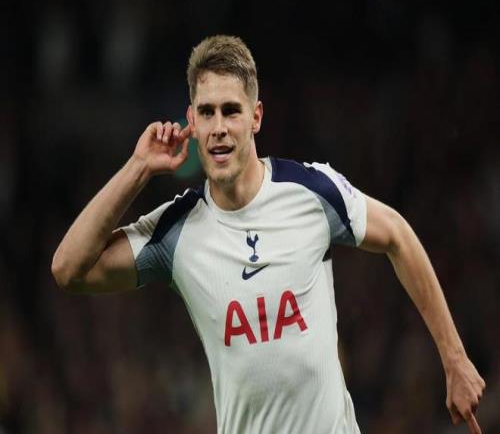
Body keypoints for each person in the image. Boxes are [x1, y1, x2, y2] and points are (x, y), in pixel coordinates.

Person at [51, 35, 485, 433]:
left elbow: (398, 235)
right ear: (192, 122)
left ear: (255, 117)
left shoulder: (311, 191)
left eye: (231, 110)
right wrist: (139, 167)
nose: (219, 127)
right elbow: (68, 269)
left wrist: (455, 359)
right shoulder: (176, 231)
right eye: (207, 112)